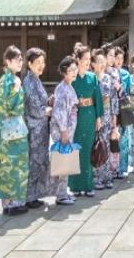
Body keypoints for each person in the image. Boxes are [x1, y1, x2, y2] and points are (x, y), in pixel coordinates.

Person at [0, 46, 29, 216]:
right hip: (10, 128)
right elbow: (3, 107)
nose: (20, 62)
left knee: (16, 164)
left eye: (21, 59)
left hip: (15, 128)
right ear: (8, 61)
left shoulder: (13, 79)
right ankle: (11, 203)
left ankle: (13, 202)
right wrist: (15, 88)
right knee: (11, 164)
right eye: (17, 59)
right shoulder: (6, 81)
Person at [68, 44, 103, 197]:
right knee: (77, 150)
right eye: (85, 59)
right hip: (76, 116)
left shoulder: (92, 77)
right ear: (78, 60)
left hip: (89, 115)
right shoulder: (73, 78)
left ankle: (88, 185)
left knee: (88, 150)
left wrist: (98, 117)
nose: (88, 62)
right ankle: (75, 186)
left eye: (89, 59)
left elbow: (98, 98)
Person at [22, 47, 53, 209]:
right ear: (29, 64)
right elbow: (35, 108)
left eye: (43, 62)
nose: (42, 65)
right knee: (34, 162)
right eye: (38, 62)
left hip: (41, 129)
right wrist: (48, 110)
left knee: (40, 161)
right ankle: (29, 196)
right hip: (34, 129)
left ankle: (34, 195)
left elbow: (41, 102)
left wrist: (50, 101)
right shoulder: (28, 82)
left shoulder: (36, 80)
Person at [50, 56, 79, 206]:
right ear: (64, 72)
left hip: (68, 129)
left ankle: (63, 191)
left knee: (65, 159)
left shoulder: (68, 86)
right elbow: (60, 112)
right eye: (71, 70)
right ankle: (60, 195)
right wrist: (64, 130)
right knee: (63, 159)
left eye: (75, 69)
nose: (74, 72)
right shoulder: (62, 89)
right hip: (63, 129)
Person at [94, 47, 120, 189]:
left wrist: (114, 125)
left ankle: (107, 177)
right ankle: (96, 178)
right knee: (95, 147)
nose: (102, 64)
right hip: (94, 118)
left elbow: (114, 102)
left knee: (106, 147)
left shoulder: (109, 79)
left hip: (108, 116)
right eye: (98, 62)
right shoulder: (91, 79)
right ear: (93, 64)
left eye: (103, 61)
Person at [114, 47, 132, 180]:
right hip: (113, 109)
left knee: (124, 138)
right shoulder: (109, 73)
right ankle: (113, 167)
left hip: (124, 107)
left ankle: (123, 167)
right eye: (117, 58)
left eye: (121, 58)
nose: (119, 61)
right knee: (114, 138)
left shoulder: (126, 74)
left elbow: (129, 91)